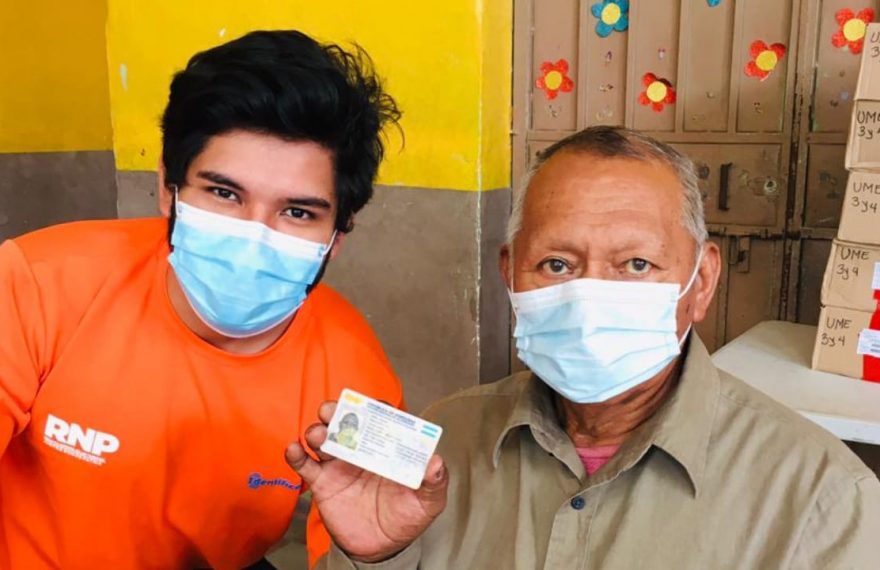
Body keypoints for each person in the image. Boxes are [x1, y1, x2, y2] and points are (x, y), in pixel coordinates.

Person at [288, 126, 880, 569]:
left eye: (636, 264)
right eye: (557, 264)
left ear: (701, 281)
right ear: (510, 275)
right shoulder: (446, 444)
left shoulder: (822, 500)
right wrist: (374, 559)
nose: (590, 296)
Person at [0, 30, 404, 569]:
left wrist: (373, 557)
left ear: (338, 234)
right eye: (224, 193)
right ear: (169, 189)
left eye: (298, 212)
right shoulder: (37, 282)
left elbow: (367, 534)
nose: (254, 235)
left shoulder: (359, 377)